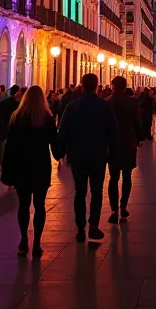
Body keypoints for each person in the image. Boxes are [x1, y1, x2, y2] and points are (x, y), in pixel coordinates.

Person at [1, 86, 65, 256]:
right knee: (40, 205)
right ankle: (37, 242)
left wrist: (6, 170)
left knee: (23, 205)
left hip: (21, 166)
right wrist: (61, 154)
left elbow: (9, 146)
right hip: (40, 166)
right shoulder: (46, 118)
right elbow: (55, 143)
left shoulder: (16, 117)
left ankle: (23, 240)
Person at [58, 73, 119, 241]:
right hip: (98, 155)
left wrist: (60, 152)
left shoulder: (72, 106)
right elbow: (113, 132)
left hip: (77, 155)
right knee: (96, 191)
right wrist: (113, 153)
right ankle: (93, 226)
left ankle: (79, 227)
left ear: (82, 86)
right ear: (97, 85)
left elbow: (62, 132)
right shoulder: (104, 106)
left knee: (79, 191)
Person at [108, 76, 144, 224]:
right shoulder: (132, 102)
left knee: (113, 177)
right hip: (128, 143)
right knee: (127, 177)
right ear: (125, 86)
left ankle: (114, 209)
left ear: (112, 86)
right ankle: (123, 207)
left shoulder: (107, 102)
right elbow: (137, 122)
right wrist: (140, 137)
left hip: (112, 145)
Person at [0, 85, 20, 167]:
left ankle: (0, 161)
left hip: (4, 127)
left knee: (2, 145)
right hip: (13, 128)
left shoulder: (4, 103)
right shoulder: (19, 104)